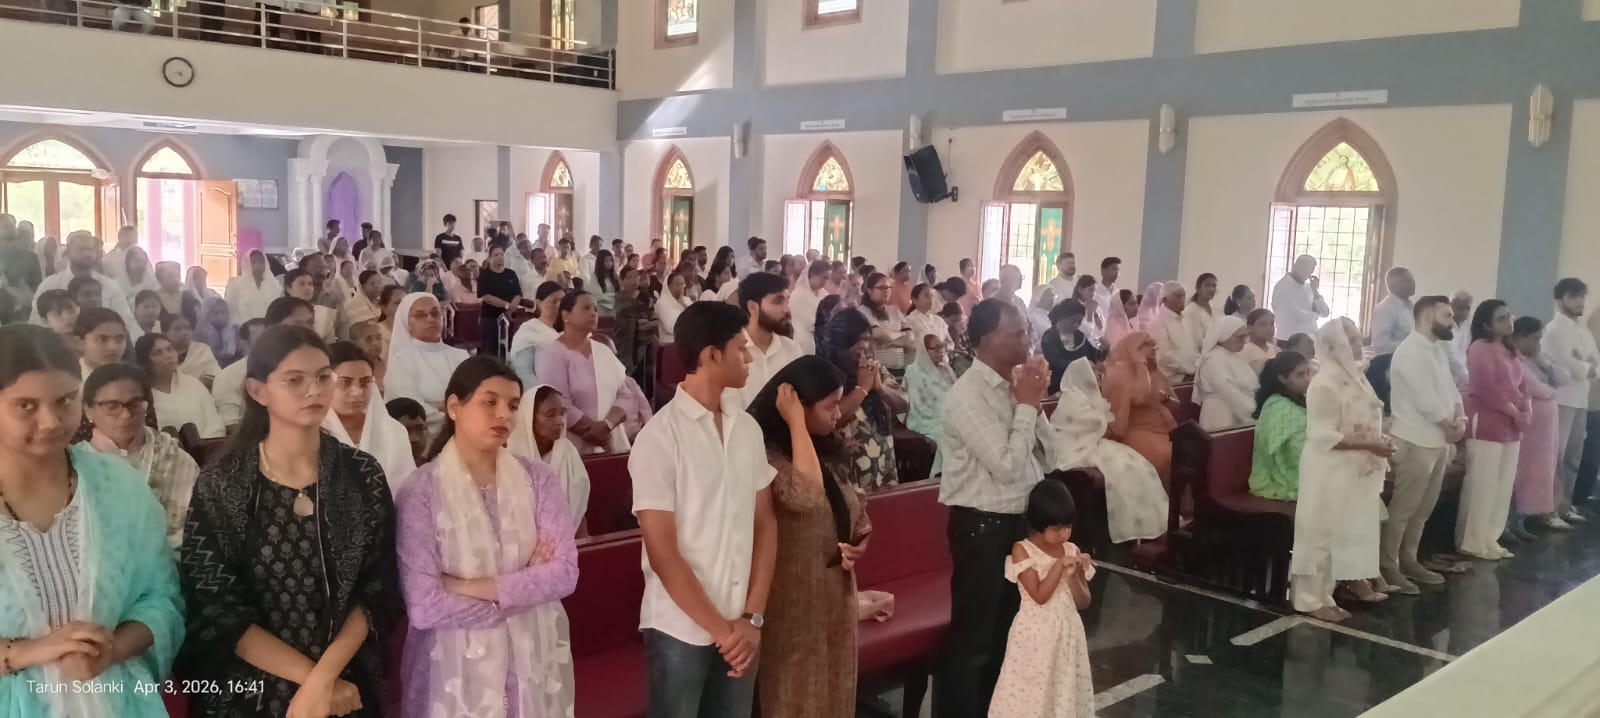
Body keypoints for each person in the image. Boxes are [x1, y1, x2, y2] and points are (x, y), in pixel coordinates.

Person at [177, 325, 399, 718]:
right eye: (295, 380)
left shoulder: (361, 474)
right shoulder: (224, 484)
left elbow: (377, 587)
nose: (314, 390)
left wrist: (324, 678)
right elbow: (217, 607)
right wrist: (312, 683)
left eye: (323, 377)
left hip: (346, 676)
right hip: (251, 686)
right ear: (258, 391)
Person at [0, 326, 185, 717]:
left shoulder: (117, 487)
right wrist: (27, 652)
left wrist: (113, 648)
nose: (51, 421)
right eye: (27, 405)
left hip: (117, 699)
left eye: (65, 400)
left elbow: (161, 598)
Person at [395, 356, 578, 717]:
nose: (503, 415)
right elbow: (425, 605)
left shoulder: (537, 479)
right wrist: (527, 586)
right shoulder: (421, 491)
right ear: (454, 407)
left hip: (531, 659)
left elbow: (564, 574)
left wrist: (465, 586)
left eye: (513, 405)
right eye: (489, 402)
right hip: (450, 668)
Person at [629, 301, 777, 718]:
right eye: (741, 349)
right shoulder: (660, 438)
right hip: (679, 626)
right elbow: (663, 552)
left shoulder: (746, 429)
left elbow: (765, 523)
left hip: (741, 621)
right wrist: (721, 632)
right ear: (712, 355)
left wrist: (752, 618)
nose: (749, 358)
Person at [934, 298, 1053, 718]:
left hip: (1019, 524)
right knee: (974, 644)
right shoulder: (968, 396)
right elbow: (1004, 466)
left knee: (1009, 636)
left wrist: (1033, 404)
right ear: (986, 339)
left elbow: (1050, 456)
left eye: (1026, 331)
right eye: (1017, 333)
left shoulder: (1014, 387)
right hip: (982, 529)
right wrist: (1026, 408)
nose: (1027, 339)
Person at [747, 356, 870, 718]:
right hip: (791, 596)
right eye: (830, 406)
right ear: (798, 406)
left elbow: (856, 507)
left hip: (835, 592)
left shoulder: (827, 446)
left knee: (837, 686)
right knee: (796, 692)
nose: (838, 414)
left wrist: (861, 541)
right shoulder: (765, 453)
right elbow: (805, 495)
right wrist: (796, 423)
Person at [1290, 318, 1393, 622]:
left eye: (1359, 338)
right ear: (1335, 347)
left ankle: (1326, 593)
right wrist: (1370, 443)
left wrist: (1380, 438)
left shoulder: (1356, 376)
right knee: (1319, 532)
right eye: (1353, 340)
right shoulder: (1323, 383)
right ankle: (1307, 598)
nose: (1360, 344)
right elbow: (1322, 433)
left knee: (1338, 532)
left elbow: (1369, 415)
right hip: (1328, 466)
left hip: (1350, 466)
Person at [987, 480, 1094, 718]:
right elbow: (1039, 595)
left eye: (1068, 527)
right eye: (1056, 529)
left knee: (1061, 690)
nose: (1064, 534)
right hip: (1034, 636)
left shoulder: (1072, 550)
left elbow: (1083, 602)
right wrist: (1058, 567)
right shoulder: (1022, 550)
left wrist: (1074, 575)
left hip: (1067, 634)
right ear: (1038, 524)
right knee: (1031, 691)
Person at [1384, 295, 1469, 590]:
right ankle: (1389, 565)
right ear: (1426, 318)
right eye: (1447, 316)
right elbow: (1424, 399)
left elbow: (1451, 390)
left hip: (1438, 441)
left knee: (1423, 510)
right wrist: (1448, 426)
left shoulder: (1436, 349)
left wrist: (1461, 419)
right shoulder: (1410, 351)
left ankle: (1409, 559)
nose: (1452, 322)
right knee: (1404, 509)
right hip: (1414, 439)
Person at [80, 362, 199, 548]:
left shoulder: (173, 457)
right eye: (112, 406)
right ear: (89, 410)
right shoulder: (76, 466)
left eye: (135, 404)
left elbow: (197, 526)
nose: (126, 415)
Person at [1050, 358, 1169, 542]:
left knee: (1140, 466)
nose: (1098, 379)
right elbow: (1088, 425)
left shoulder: (1092, 397)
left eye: (1099, 375)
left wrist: (1106, 426)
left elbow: (1111, 428)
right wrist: (1104, 425)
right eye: (1094, 374)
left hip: (1095, 442)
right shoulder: (1072, 398)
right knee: (1122, 468)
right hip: (1076, 446)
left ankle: (1147, 525)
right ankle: (1128, 527)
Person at [535, 291, 652, 453]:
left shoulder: (603, 351)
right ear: (565, 315)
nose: (593, 313)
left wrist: (606, 426)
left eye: (596, 309)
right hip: (571, 444)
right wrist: (593, 431)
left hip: (609, 438)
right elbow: (560, 402)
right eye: (586, 308)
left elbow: (625, 395)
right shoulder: (552, 353)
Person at [1458, 299, 1529, 561]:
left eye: (1509, 316)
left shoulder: (1510, 349)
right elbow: (1487, 389)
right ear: (1487, 325)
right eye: (1501, 318)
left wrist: (1527, 410)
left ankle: (1491, 537)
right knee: (1483, 484)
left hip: (1512, 426)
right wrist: (1515, 413)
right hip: (1488, 422)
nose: (1509, 322)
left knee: (1502, 485)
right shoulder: (1479, 348)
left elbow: (1523, 386)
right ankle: (1472, 541)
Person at [819, 310, 907, 491]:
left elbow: (903, 405)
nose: (863, 346)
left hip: (882, 463)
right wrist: (862, 388)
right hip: (847, 471)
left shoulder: (874, 369)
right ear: (839, 343)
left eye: (866, 339)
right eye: (855, 340)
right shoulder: (824, 373)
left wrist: (880, 388)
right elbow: (832, 419)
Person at [322, 342, 418, 493]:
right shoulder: (312, 433)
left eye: (365, 382)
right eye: (345, 383)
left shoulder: (393, 432)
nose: (357, 392)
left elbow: (408, 491)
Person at [1542, 278, 1599, 524]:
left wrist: (1585, 365)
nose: (1579, 302)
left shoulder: (1584, 332)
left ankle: (1564, 505)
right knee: (1556, 455)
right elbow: (1570, 365)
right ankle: (1548, 510)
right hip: (1561, 400)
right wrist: (1585, 365)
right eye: (1573, 296)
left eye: (1582, 296)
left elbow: (1596, 365)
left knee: (1573, 457)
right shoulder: (1554, 330)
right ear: (1559, 299)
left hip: (1581, 400)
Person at [507, 384, 592, 533]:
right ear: (530, 417)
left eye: (562, 413)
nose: (559, 421)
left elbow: (580, 511)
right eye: (550, 415)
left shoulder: (568, 453)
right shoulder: (511, 455)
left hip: (568, 538)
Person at [1509, 317, 1564, 542]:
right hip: (1528, 431)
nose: (1538, 343)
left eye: (1540, 339)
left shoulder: (1535, 359)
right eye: (1534, 339)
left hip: (1544, 432)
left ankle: (1525, 518)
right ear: (1519, 338)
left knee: (1540, 473)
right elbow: (1532, 387)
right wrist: (1551, 390)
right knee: (1521, 476)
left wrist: (1541, 361)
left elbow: (1561, 378)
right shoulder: (1513, 359)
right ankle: (1513, 522)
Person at [387, 293, 470, 435]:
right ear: (407, 322)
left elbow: (474, 397)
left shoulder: (460, 355)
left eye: (435, 313)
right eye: (420, 315)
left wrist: (440, 405)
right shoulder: (401, 360)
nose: (430, 319)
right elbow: (412, 411)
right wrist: (455, 415)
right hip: (425, 438)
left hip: (466, 431)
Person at [1101, 333, 1178, 480]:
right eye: (1146, 345)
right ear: (1132, 349)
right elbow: (1141, 398)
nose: (1153, 348)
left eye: (1153, 344)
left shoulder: (1154, 371)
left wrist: (1166, 400)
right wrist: (1140, 362)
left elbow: (1177, 406)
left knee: (1191, 450)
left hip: (1166, 431)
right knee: (1165, 454)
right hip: (1137, 433)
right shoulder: (1118, 374)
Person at [30, 231, 138, 331]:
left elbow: (126, 321)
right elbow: (35, 321)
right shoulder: (50, 284)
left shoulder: (109, 285)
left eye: (90, 249)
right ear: (68, 252)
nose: (87, 254)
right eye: (81, 249)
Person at [134, 332, 225, 439]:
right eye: (158, 353)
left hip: (205, 445)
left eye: (170, 349)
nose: (168, 355)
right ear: (144, 361)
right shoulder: (139, 394)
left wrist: (203, 445)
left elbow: (215, 423)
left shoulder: (194, 384)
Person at [1248, 352, 1312, 501]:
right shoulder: (1278, 406)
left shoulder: (1299, 399)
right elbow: (1295, 451)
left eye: (1307, 372)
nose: (1307, 379)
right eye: (1300, 375)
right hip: (1286, 474)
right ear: (1283, 379)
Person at [736, 273, 803, 407]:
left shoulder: (792, 351)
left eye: (787, 301)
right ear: (752, 307)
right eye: (778, 302)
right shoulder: (731, 353)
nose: (787, 309)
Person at [212, 315, 282, 428]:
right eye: (262, 340)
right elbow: (231, 424)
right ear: (244, 344)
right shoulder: (229, 376)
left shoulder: (288, 368)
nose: (270, 345)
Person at [1195, 315, 1259, 431]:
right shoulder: (1214, 359)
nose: (1244, 341)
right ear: (1224, 336)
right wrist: (1253, 412)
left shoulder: (1235, 356)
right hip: (1221, 413)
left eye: (1245, 336)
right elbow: (1228, 390)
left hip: (1239, 408)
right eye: (1240, 337)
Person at [905, 334, 956, 475]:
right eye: (937, 347)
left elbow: (957, 393)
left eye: (942, 346)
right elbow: (917, 403)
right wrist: (944, 413)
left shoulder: (945, 369)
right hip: (929, 418)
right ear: (925, 351)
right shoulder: (914, 371)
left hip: (952, 414)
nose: (942, 351)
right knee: (949, 437)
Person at [1041, 299, 1105, 395]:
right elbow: (1057, 361)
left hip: (1080, 386)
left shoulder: (1080, 336)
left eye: (1079, 322)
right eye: (1073, 321)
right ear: (1062, 317)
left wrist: (1104, 351)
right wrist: (1084, 367)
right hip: (1058, 385)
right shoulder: (1050, 336)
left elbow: (1093, 355)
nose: (1076, 325)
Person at [858, 271, 916, 374]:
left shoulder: (895, 311)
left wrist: (889, 343)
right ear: (869, 291)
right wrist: (902, 334)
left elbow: (910, 340)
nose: (886, 291)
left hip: (900, 368)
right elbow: (879, 335)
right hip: (878, 370)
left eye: (888, 288)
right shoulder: (863, 310)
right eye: (881, 288)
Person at [508, 282, 565, 386]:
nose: (559, 305)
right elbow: (524, 373)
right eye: (554, 301)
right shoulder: (529, 330)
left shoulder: (563, 331)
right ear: (538, 303)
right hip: (537, 389)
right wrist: (544, 393)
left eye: (563, 301)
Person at [477, 244, 525, 357]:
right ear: (489, 258)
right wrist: (506, 305)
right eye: (496, 255)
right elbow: (486, 296)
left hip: (510, 316)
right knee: (490, 350)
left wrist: (512, 307)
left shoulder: (511, 273)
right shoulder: (484, 274)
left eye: (501, 254)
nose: (499, 257)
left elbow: (518, 294)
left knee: (509, 348)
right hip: (491, 317)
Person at [1271, 255, 1330, 341]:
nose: (1307, 274)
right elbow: (1293, 315)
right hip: (1288, 340)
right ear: (1295, 266)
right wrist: (1315, 315)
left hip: (1309, 340)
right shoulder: (1282, 287)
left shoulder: (1308, 288)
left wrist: (1315, 292)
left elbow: (1325, 313)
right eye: (1304, 269)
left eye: (1310, 271)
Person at [1150, 281, 1197, 382]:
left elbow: (1191, 348)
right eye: (1179, 296)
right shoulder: (1158, 323)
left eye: (1184, 296)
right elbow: (1163, 356)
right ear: (1165, 300)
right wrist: (1189, 371)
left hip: (1190, 375)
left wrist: (1195, 369)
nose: (1183, 299)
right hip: (1171, 379)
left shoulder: (1185, 320)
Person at [225, 249, 282, 323]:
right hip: (242, 326)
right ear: (246, 263)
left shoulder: (274, 283)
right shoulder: (235, 284)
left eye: (261, 262)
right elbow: (230, 308)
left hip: (269, 326)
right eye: (254, 262)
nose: (258, 265)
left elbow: (278, 307)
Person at [1370, 267, 1416, 355]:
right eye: (1408, 281)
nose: (1413, 283)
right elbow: (1381, 346)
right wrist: (1412, 346)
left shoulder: (1410, 306)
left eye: (1412, 279)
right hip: (1393, 360)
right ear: (1394, 286)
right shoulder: (1384, 309)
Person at [283, 268, 336, 342]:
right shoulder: (280, 312)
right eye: (302, 284)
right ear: (288, 288)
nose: (307, 288)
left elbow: (330, 343)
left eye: (310, 284)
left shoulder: (324, 312)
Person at [74, 308, 129, 376]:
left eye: (120, 339)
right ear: (79, 342)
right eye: (101, 339)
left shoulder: (134, 378)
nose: (113, 347)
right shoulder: (69, 378)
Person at [194, 295, 240, 367]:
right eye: (215, 313)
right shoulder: (200, 332)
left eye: (223, 312)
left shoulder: (235, 330)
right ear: (206, 313)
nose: (220, 317)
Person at [387, 398, 431, 466]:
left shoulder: (435, 468)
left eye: (420, 429)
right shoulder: (374, 470)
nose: (415, 439)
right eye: (404, 431)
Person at [1183, 272, 1219, 354]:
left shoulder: (1216, 310)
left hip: (1215, 353)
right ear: (1198, 288)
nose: (1212, 289)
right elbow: (1197, 341)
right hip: (1199, 356)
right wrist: (1220, 343)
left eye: (1214, 286)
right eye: (1207, 285)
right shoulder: (1190, 311)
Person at [906, 283, 949, 352]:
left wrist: (946, 347)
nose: (930, 299)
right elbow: (909, 347)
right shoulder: (909, 321)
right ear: (915, 300)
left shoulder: (938, 320)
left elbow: (950, 343)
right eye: (926, 296)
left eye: (931, 296)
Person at [939, 301, 974, 377]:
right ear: (943, 317)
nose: (956, 324)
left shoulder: (966, 331)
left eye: (960, 321)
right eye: (953, 321)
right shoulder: (939, 331)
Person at [1239, 308, 1280, 373]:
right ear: (1249, 328)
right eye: (1263, 324)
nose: (1269, 328)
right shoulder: (1242, 350)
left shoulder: (1276, 349)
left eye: (1272, 324)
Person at [656, 271, 691, 344]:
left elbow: (697, 320)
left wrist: (683, 304)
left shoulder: (687, 301)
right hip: (670, 344)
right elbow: (670, 327)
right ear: (668, 286)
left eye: (682, 284)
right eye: (676, 284)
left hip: (689, 342)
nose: (680, 287)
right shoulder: (662, 302)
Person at [591, 249, 621, 316]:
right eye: (606, 260)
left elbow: (620, 293)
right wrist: (614, 297)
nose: (609, 263)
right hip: (601, 309)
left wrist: (617, 298)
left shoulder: (615, 276)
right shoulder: (595, 277)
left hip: (615, 310)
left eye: (611, 260)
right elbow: (598, 295)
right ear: (600, 262)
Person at [1093, 257, 1122, 326]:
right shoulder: (1094, 292)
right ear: (1103, 271)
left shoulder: (1119, 293)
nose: (1117, 272)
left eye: (1119, 270)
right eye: (1114, 269)